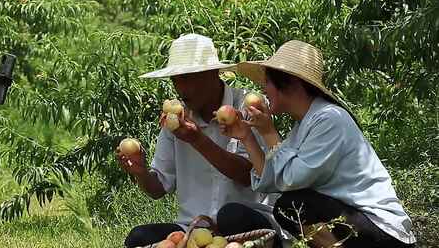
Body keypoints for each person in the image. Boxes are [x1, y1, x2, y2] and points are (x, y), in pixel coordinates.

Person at [220, 40, 416, 247]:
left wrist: (269, 132)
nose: (263, 89)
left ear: (291, 84)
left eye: (267, 81)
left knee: (291, 206)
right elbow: (271, 181)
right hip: (356, 223)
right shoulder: (306, 124)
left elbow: (291, 181)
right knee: (287, 207)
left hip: (382, 227)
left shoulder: (329, 119)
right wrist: (247, 137)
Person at [117, 34, 287, 248]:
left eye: (188, 78)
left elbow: (247, 176)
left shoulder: (245, 107)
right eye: (175, 79)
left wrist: (197, 139)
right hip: (194, 230)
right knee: (139, 238)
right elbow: (159, 188)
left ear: (213, 74)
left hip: (244, 225)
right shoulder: (176, 123)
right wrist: (140, 172)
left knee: (231, 215)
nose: (181, 88)